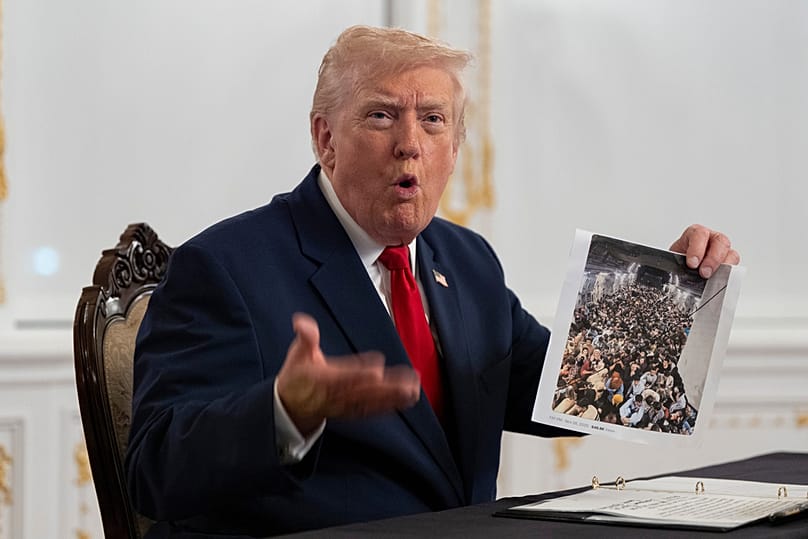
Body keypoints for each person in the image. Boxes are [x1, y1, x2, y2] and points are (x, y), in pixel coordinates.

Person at [125, 25, 741, 537]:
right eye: (381, 115)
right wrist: (286, 411)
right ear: (325, 138)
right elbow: (155, 469)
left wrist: (672, 295)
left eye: (434, 120)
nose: (410, 145)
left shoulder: (466, 260)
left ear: (456, 146)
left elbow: (567, 388)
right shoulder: (226, 266)